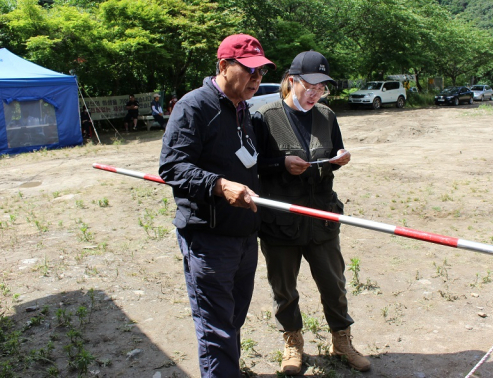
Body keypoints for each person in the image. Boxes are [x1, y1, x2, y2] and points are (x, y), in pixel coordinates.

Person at [159, 34, 275, 378]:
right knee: (215, 327)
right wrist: (219, 185)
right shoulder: (194, 106)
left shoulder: (244, 110)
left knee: (234, 314)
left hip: (244, 235)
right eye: (249, 70)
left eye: (261, 71)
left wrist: (283, 165)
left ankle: (228, 369)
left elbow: (248, 161)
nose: (256, 78)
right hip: (208, 237)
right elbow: (173, 166)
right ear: (224, 66)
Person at [252, 51, 370, 375]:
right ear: (292, 81)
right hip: (280, 222)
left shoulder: (327, 117)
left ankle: (342, 342)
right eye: (310, 86)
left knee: (334, 284)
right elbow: (251, 165)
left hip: (322, 219)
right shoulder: (264, 117)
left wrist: (341, 157)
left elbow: (334, 151)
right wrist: (280, 164)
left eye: (322, 88)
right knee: (284, 289)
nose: (316, 93)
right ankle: (293, 343)